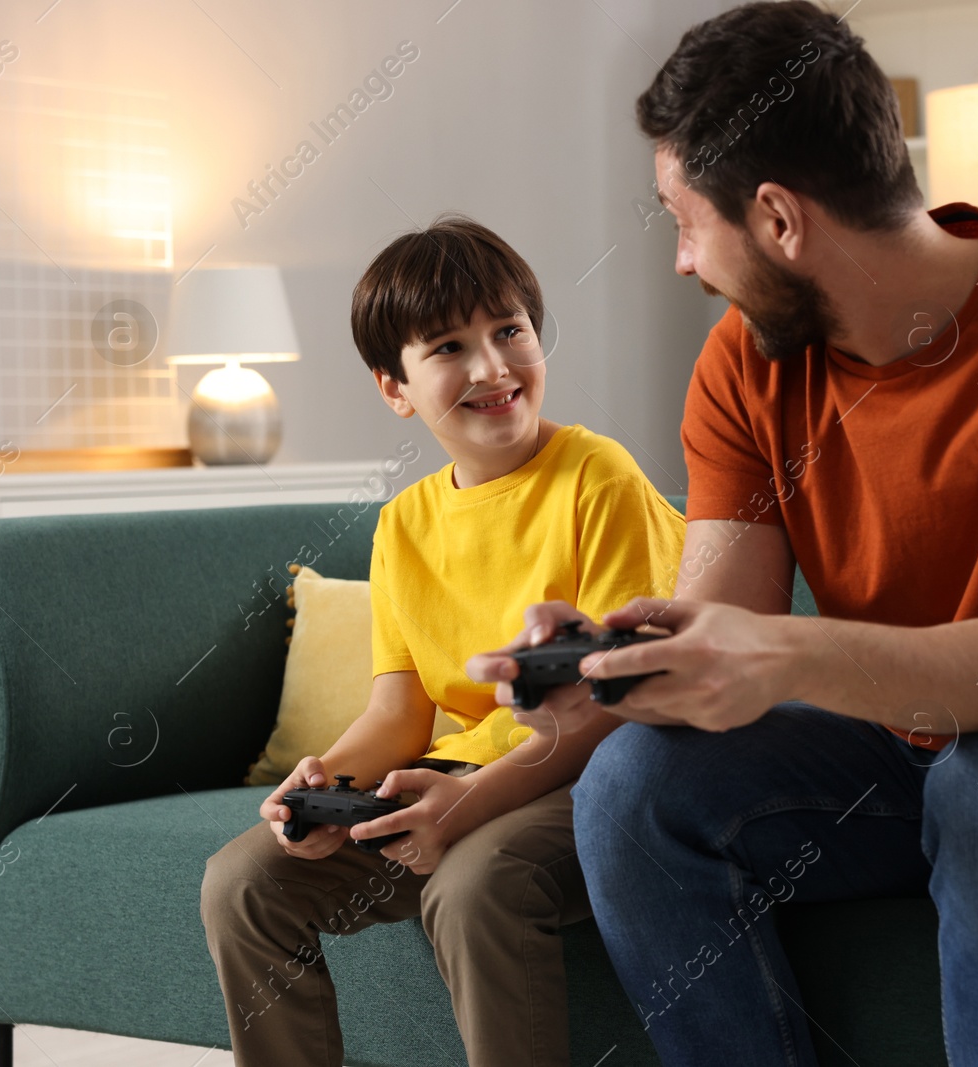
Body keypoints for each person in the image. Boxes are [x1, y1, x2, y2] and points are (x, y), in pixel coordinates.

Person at [465, 4, 978, 1065]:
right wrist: (623, 667)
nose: (680, 262)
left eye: (683, 220)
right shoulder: (745, 360)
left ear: (776, 219)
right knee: (634, 783)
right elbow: (724, 624)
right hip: (914, 752)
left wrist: (785, 656)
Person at [200, 213, 687, 1067]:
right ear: (396, 386)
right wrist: (328, 780)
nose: (493, 367)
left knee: (474, 885)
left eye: (510, 331)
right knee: (241, 882)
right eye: (450, 347)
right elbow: (399, 709)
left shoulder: (597, 476)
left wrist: (466, 804)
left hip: (594, 774)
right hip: (459, 777)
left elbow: (623, 700)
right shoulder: (404, 523)